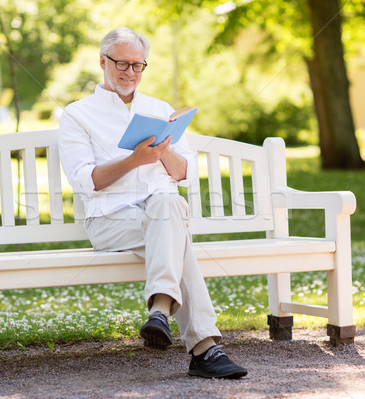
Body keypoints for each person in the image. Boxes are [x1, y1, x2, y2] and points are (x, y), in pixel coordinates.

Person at [58, 27, 247, 379]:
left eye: (138, 65)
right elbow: (87, 181)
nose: (131, 73)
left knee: (167, 204)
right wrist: (135, 160)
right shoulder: (76, 115)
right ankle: (202, 348)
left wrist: (164, 152)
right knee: (176, 233)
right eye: (122, 64)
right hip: (110, 219)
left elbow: (184, 174)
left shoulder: (159, 110)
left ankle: (162, 312)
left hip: (162, 211)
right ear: (103, 61)